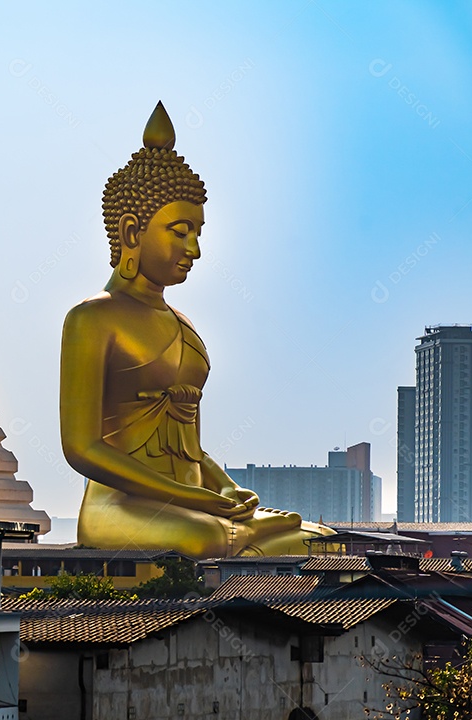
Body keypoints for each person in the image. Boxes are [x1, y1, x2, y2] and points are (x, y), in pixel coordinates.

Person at [60, 102, 332, 557]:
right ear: (131, 232)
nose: (195, 249)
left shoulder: (182, 325)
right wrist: (192, 500)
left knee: (320, 541)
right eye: (181, 231)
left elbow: (191, 448)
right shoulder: (91, 319)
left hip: (196, 505)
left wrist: (225, 491)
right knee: (204, 537)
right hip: (122, 507)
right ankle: (238, 537)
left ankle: (241, 535)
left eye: (198, 233)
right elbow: (82, 448)